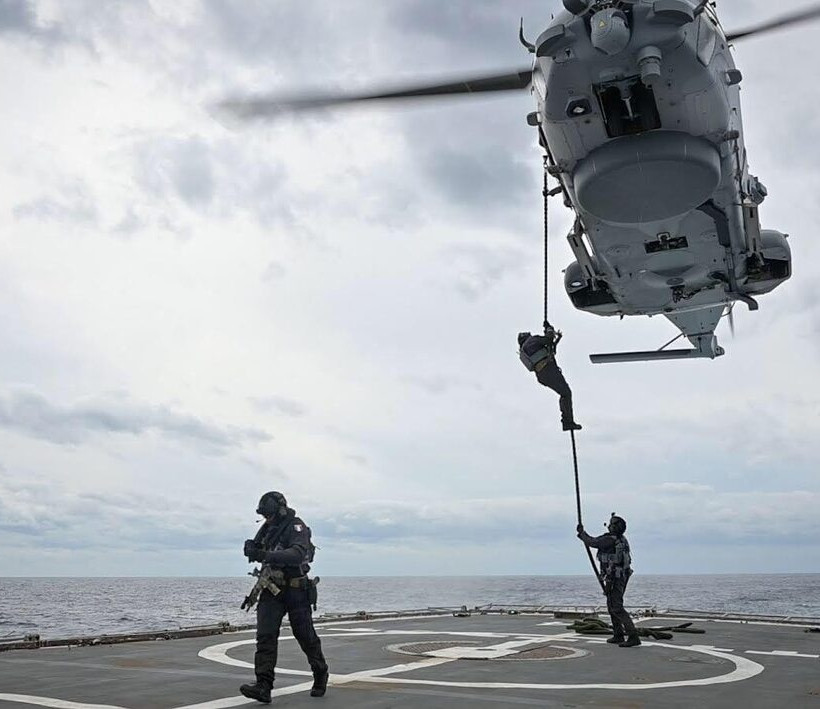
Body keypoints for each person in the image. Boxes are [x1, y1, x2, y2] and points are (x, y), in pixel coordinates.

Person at [240, 491, 329, 703]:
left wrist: (266, 555)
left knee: (305, 636)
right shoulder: (268, 528)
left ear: (279, 510)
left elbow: (297, 554)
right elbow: (259, 548)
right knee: (265, 636)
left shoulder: (296, 526)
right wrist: (251, 547)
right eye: (264, 515)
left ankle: (320, 672)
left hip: (296, 590)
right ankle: (263, 685)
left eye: (269, 514)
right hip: (272, 589)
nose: (267, 518)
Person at [576, 514, 640, 647]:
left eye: (611, 524)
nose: (609, 526)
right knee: (612, 607)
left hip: (615, 578)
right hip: (620, 576)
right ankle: (618, 634)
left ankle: (633, 636)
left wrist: (582, 534)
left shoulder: (610, 540)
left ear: (615, 527)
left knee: (616, 607)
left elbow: (593, 542)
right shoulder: (621, 539)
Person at [517, 326, 581, 431]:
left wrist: (555, 338)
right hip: (549, 370)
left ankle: (567, 421)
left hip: (542, 375)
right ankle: (567, 422)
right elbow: (548, 340)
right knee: (566, 393)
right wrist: (549, 329)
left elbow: (550, 348)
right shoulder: (532, 340)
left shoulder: (525, 350)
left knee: (564, 393)